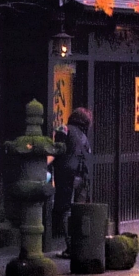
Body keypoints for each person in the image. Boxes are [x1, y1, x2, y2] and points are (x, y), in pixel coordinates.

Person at [50, 106, 92, 251]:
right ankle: (79, 246)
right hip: (83, 176)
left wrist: (44, 164)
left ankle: (70, 246)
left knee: (65, 209)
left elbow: (56, 150)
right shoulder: (84, 137)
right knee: (78, 211)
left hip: (66, 174)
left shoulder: (64, 129)